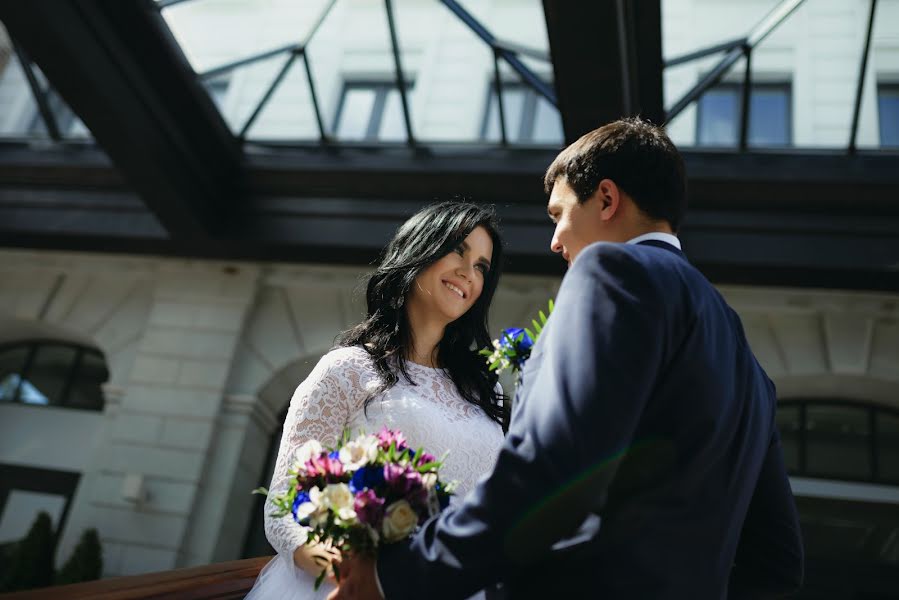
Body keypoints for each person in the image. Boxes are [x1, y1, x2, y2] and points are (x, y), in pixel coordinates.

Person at [330, 117, 805, 599]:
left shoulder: (614, 270)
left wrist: (401, 576)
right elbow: (777, 562)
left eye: (558, 214)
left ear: (605, 198)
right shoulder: (748, 365)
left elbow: (555, 467)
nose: (555, 241)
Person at [245, 201, 507, 600]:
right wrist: (358, 577)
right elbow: (282, 506)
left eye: (482, 267)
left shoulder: (486, 389)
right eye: (458, 250)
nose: (468, 273)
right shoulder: (346, 370)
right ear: (420, 249)